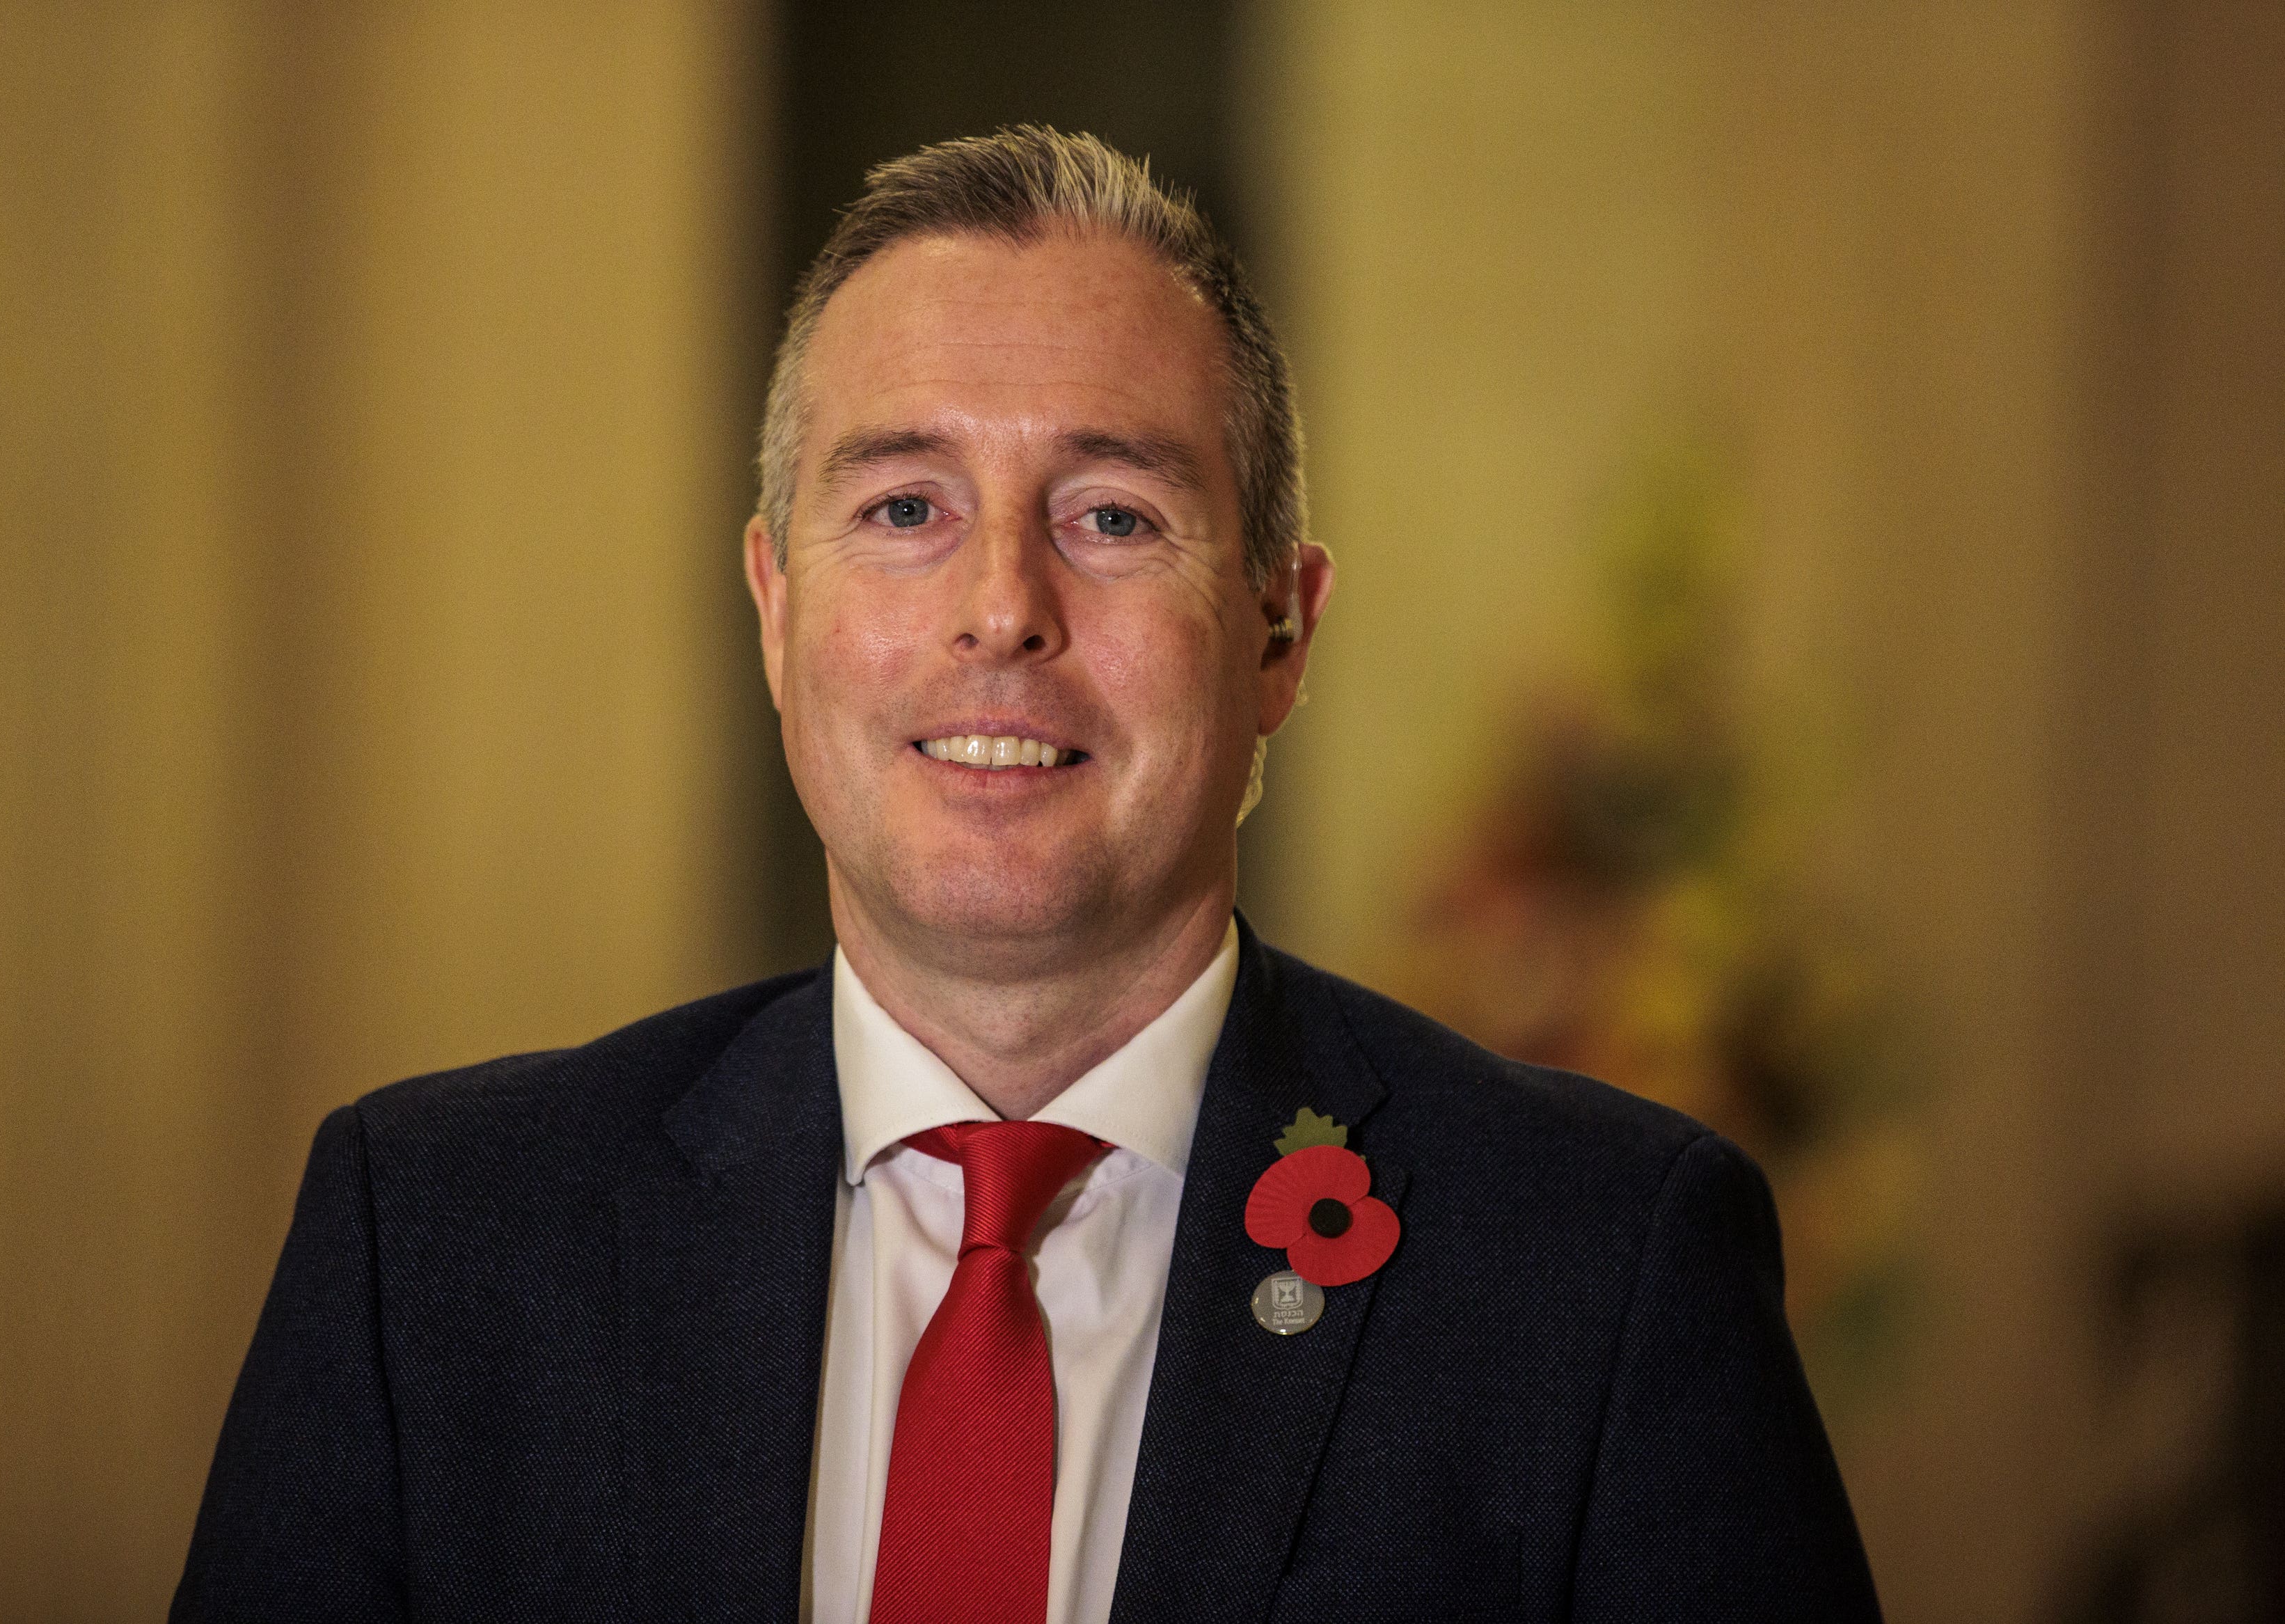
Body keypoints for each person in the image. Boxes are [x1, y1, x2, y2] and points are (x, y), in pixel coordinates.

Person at [174, 127, 1882, 1624]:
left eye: (1112, 516)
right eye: (907, 507)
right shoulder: (435, 1241)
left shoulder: (1602, 1266)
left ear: (1281, 629)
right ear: (776, 614)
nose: (1002, 607)